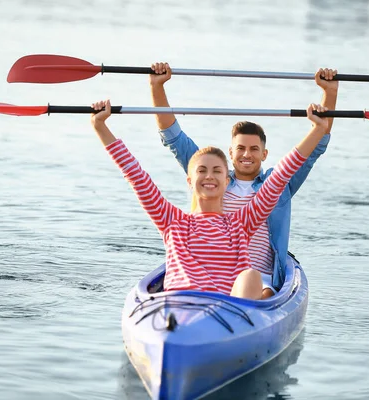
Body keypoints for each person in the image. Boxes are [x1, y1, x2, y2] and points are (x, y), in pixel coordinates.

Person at [91, 99, 330, 300]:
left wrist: (317, 129)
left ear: (227, 181)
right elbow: (134, 174)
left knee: (251, 276)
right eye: (202, 171)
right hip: (181, 309)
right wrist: (100, 125)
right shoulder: (170, 219)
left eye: (217, 171)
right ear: (189, 180)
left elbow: (282, 175)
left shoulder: (242, 223)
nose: (209, 176)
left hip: (227, 313)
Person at [149, 63, 339, 298]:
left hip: (260, 279)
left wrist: (329, 93)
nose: (247, 154)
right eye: (240, 148)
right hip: (207, 272)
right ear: (230, 153)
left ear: (264, 154)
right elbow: (173, 137)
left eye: (254, 149)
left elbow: (314, 147)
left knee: (261, 290)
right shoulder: (213, 176)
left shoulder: (278, 185)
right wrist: (157, 86)